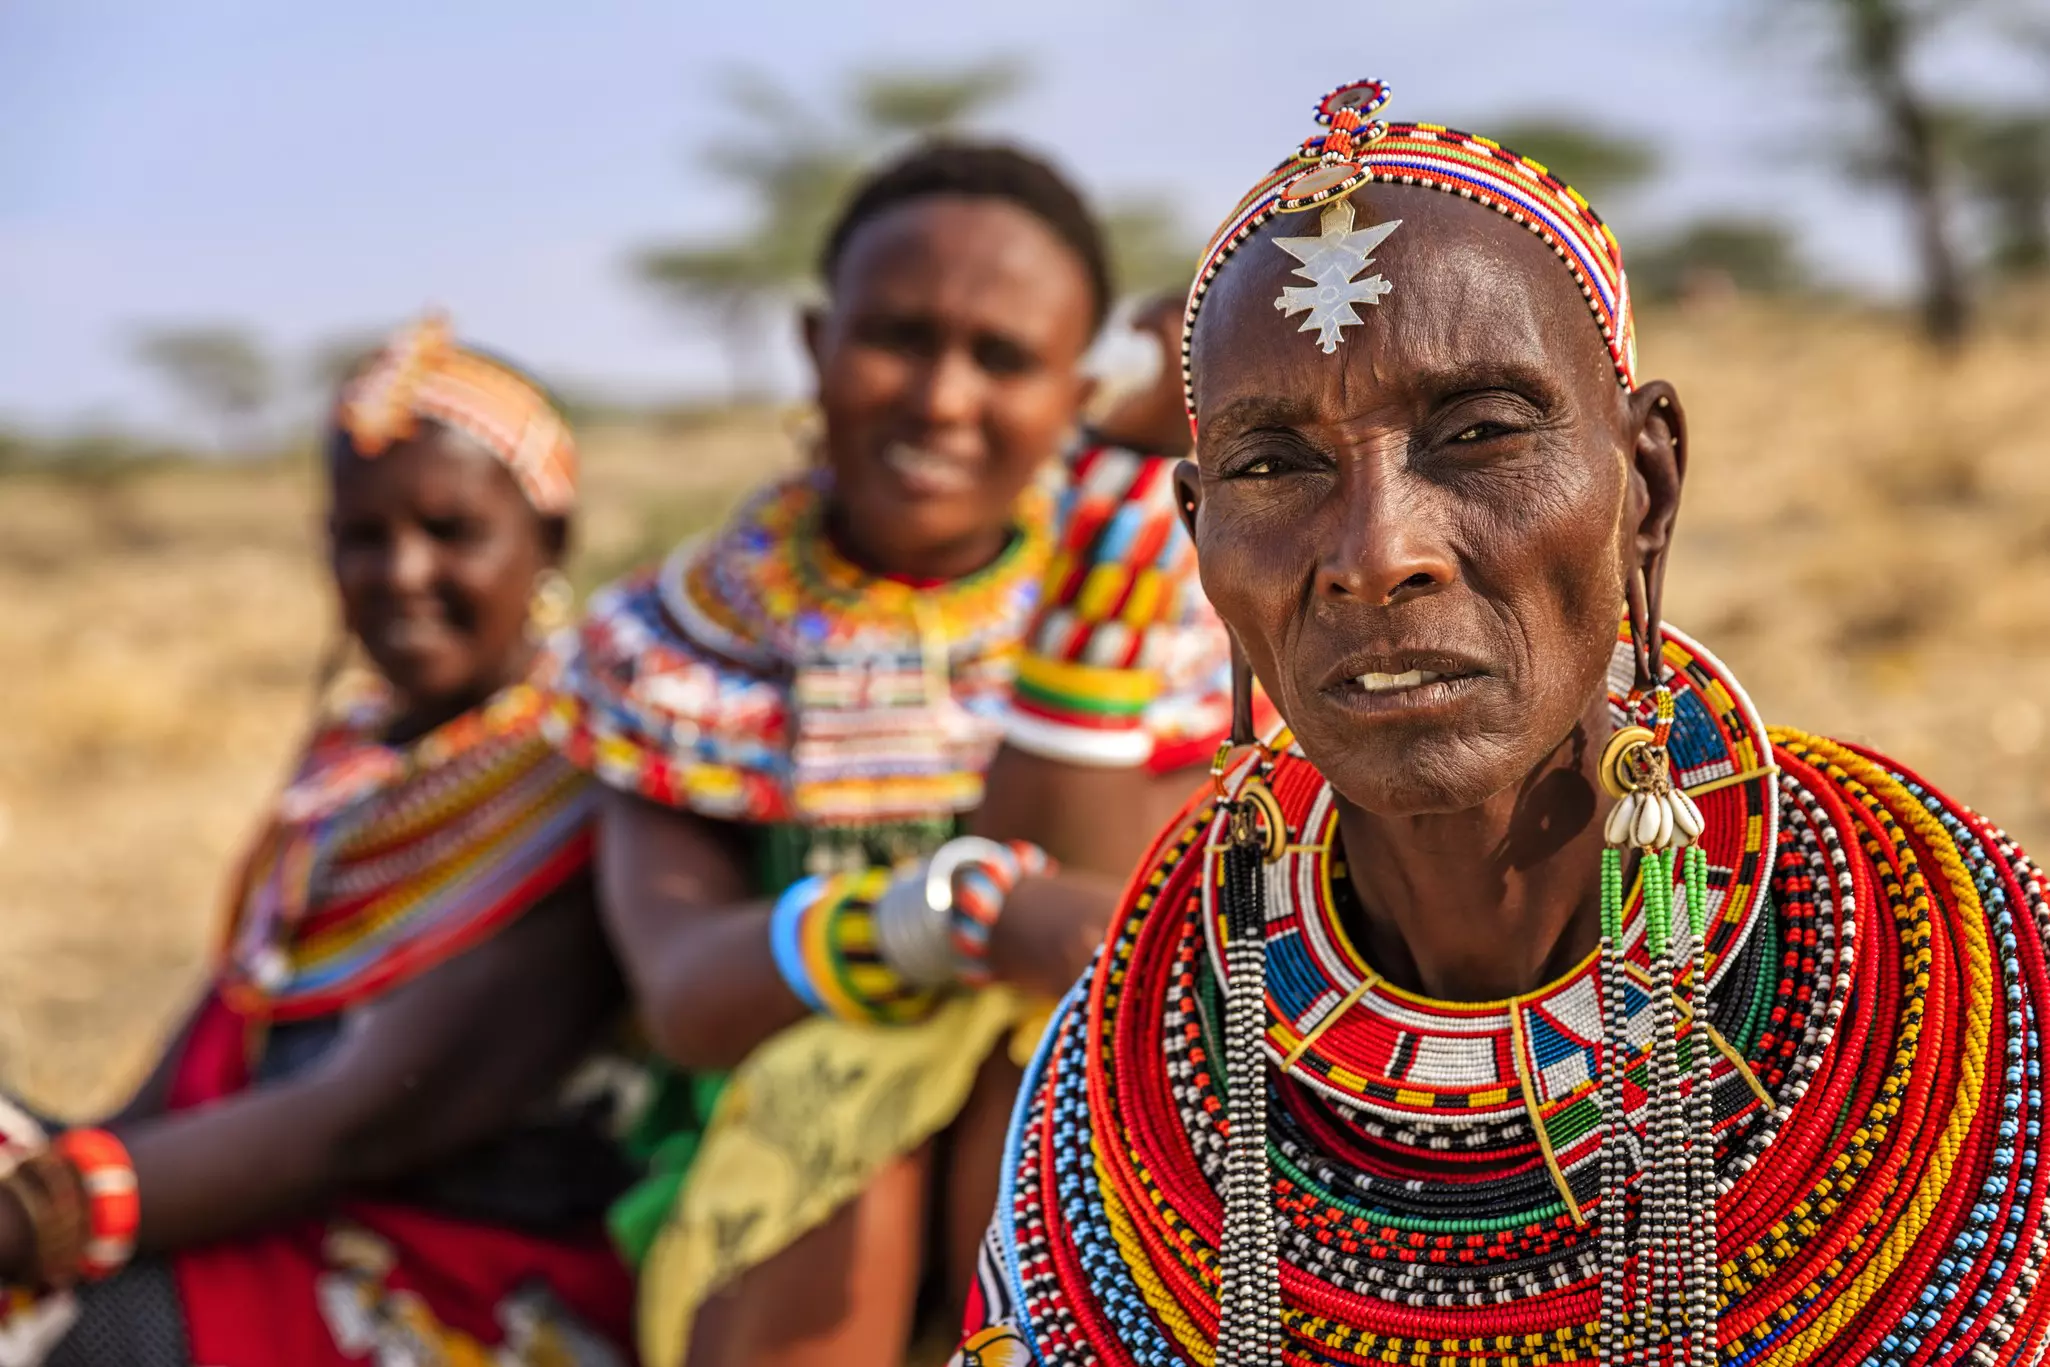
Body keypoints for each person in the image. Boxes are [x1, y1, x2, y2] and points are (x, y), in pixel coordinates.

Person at [957, 78, 2050, 1366]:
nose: (1377, 552)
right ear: (1199, 531)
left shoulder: (1961, 958)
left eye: (1477, 433)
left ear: (1644, 482)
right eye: (1271, 465)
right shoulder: (1131, 1059)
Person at [544, 141, 1243, 1367]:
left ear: (1073, 387)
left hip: (1034, 1171)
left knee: (1046, 1066)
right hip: (767, 1209)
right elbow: (691, 995)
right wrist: (951, 917)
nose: (940, 396)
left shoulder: (1168, 619)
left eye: (1004, 358)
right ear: (815, 345)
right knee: (849, 1088)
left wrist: (1119, 514)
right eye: (898, 336)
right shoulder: (677, 644)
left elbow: (1097, 934)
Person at [0, 316, 638, 1366]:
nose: (401, 571)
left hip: (460, 1279)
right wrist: (64, 1163)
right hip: (260, 1205)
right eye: (361, 535)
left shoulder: (582, 779)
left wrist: (43, 1216)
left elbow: (360, 1119)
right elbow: (231, 1010)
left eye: (452, 530)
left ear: (549, 542)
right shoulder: (352, 763)